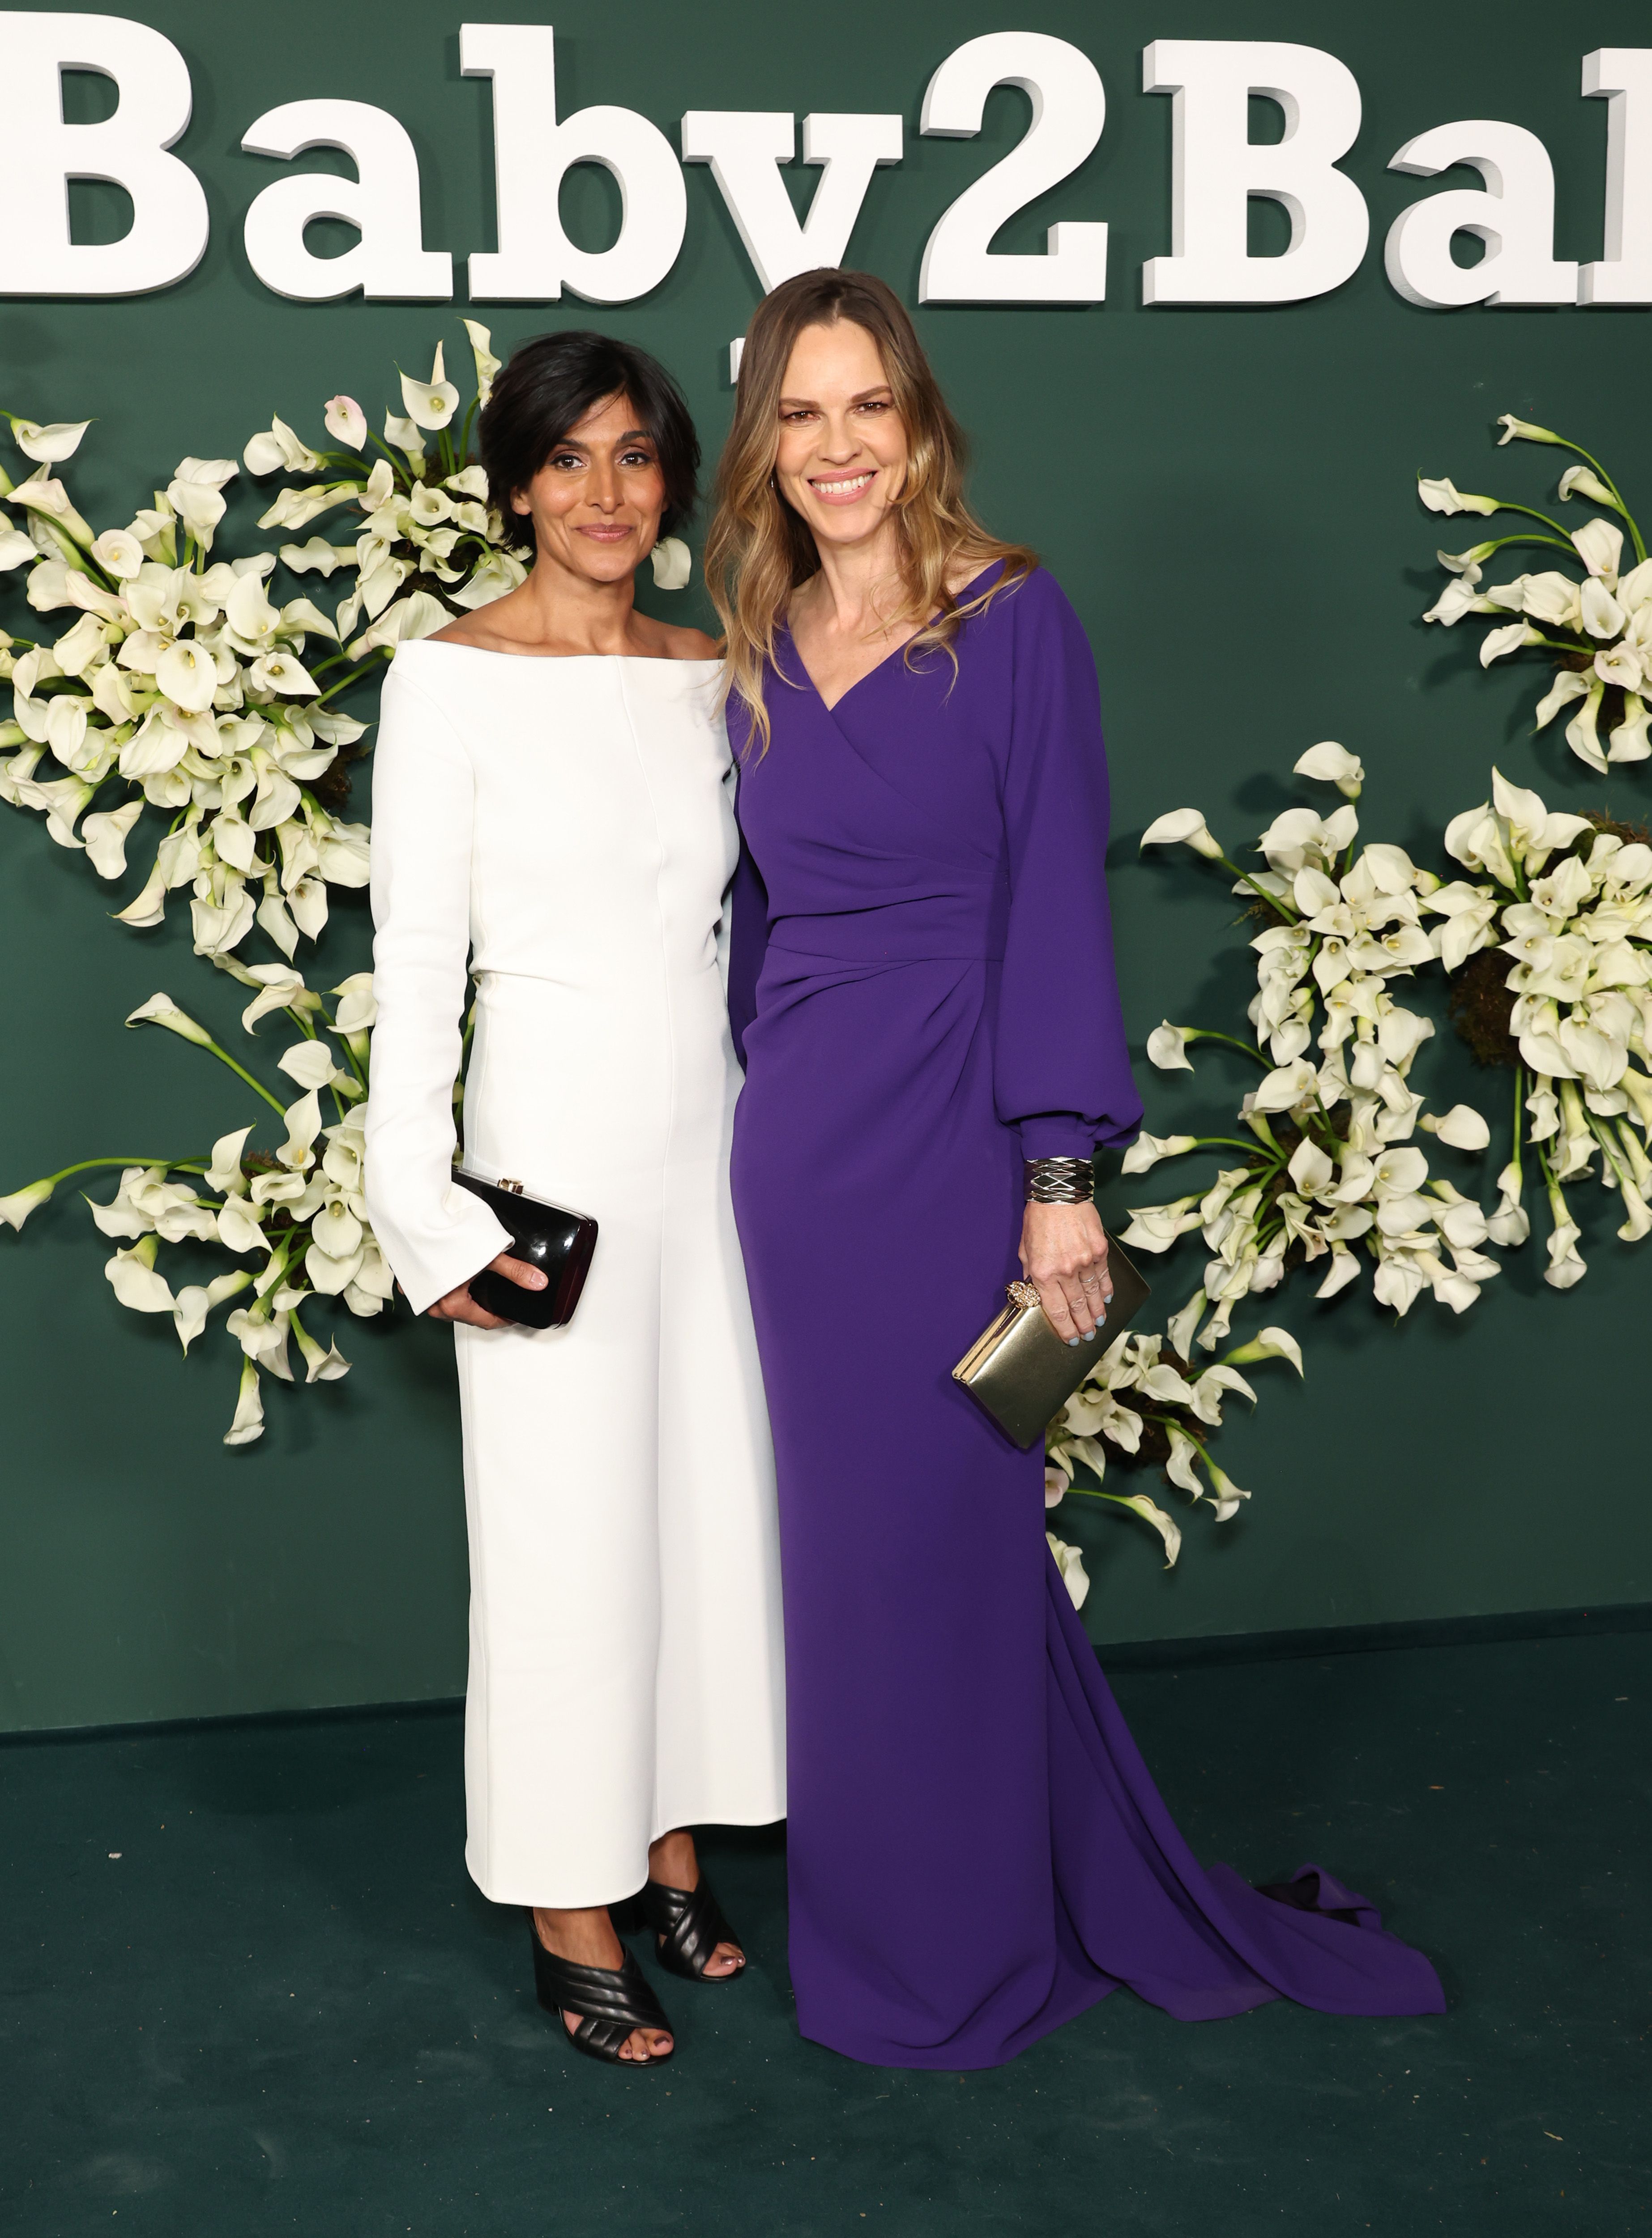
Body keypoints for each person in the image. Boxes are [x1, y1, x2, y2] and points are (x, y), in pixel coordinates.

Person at [707, 269, 1444, 2070]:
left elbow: (1053, 893)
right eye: (797, 414)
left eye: (862, 406)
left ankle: (967, 1949)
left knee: (947, 1538)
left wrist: (1056, 1166)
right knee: (849, 1560)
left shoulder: (1009, 618)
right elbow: (751, 915)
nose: (833, 447)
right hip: (799, 1151)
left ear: (916, 419)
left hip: (959, 1128)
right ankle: (898, 1926)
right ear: (763, 446)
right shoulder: (752, 645)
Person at [363, 331, 785, 2069]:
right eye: (570, 461)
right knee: (556, 1542)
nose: (605, 494)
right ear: (516, 484)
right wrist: (427, 1213)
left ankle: (669, 1835)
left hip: (716, 1152)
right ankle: (566, 1894)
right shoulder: (444, 682)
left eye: (636, 458)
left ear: (669, 485)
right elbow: (412, 966)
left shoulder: (711, 677)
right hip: (547, 1166)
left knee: (697, 1514)